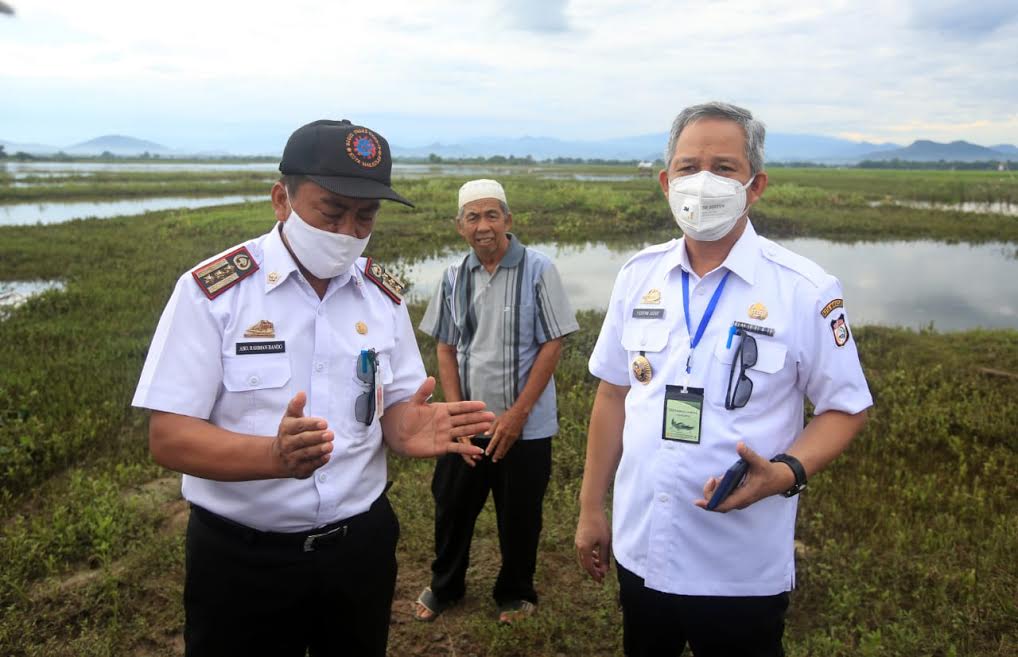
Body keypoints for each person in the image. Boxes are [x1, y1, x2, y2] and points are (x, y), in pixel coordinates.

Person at [131, 119, 493, 657]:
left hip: (358, 549)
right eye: (332, 211)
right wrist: (272, 456)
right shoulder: (214, 293)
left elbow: (394, 408)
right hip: (241, 559)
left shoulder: (382, 296)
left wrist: (405, 429)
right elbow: (169, 436)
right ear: (282, 198)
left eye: (364, 216)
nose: (348, 230)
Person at [574, 102, 872, 656]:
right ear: (665, 182)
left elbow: (846, 407)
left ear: (755, 185)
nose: (703, 182)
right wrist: (592, 506)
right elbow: (614, 393)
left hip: (738, 565)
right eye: (688, 167)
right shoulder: (639, 276)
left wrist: (786, 472)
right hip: (642, 547)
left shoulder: (804, 289)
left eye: (724, 167)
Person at [414, 179, 579, 624]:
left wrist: (518, 414)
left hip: (525, 424)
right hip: (466, 425)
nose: (483, 226)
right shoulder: (452, 277)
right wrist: (457, 414)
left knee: (519, 513)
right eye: (473, 217)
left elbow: (552, 345)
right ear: (459, 226)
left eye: (492, 215)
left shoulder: (539, 270)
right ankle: (445, 586)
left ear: (508, 220)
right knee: (451, 507)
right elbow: (446, 347)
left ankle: (515, 592)